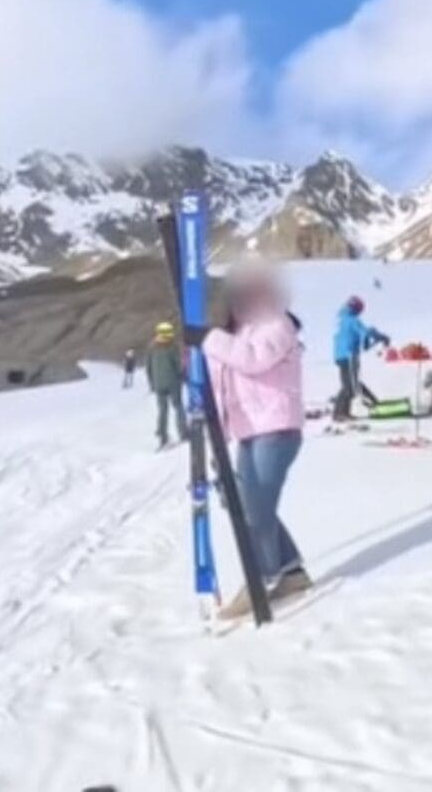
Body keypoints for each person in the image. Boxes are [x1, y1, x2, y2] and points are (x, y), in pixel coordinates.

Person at [196, 261, 310, 616]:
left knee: (256, 510)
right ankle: (291, 571)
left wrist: (208, 338)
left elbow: (252, 361)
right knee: (249, 505)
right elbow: (223, 382)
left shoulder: (277, 324)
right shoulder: (238, 332)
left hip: (277, 429)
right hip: (248, 432)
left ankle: (263, 576)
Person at [331, 296, 388, 421]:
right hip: (349, 355)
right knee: (350, 385)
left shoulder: (343, 319)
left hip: (341, 355)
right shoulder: (352, 320)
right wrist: (380, 336)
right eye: (359, 309)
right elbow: (365, 331)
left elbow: (362, 337)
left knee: (351, 383)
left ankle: (343, 412)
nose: (359, 312)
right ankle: (340, 413)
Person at [146, 322, 188, 448]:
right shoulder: (172, 347)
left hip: (158, 384)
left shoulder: (151, 347)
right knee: (178, 406)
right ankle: (183, 433)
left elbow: (148, 368)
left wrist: (152, 383)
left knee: (162, 410)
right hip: (173, 382)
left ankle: (162, 436)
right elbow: (178, 366)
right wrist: (183, 375)